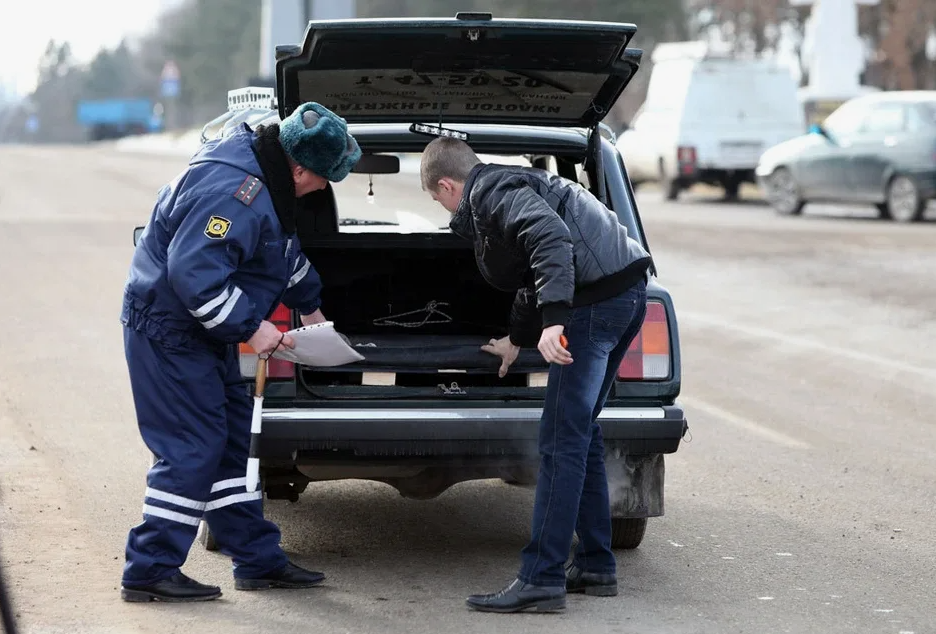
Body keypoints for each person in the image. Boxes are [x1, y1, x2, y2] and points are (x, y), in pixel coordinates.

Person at [118, 102, 361, 602]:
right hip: (169, 332)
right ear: (298, 167)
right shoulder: (236, 193)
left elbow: (281, 251)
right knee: (193, 446)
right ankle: (149, 569)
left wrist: (311, 309)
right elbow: (194, 278)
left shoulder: (268, 179)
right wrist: (255, 329)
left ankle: (255, 557)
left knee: (233, 443)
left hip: (204, 334)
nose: (324, 187)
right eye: (322, 178)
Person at [420, 137, 653, 613]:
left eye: (436, 198)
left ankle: (541, 577)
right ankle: (594, 564)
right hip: (626, 295)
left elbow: (550, 240)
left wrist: (554, 320)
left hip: (593, 308)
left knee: (558, 441)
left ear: (447, 185)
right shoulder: (510, 183)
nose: (442, 208)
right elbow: (532, 274)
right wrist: (519, 338)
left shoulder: (490, 194)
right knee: (581, 433)